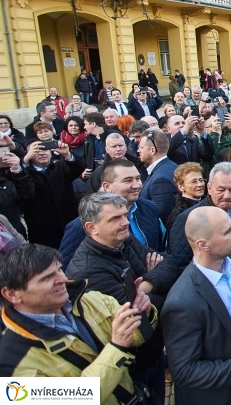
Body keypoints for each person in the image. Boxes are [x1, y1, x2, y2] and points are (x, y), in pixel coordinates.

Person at [0, 244, 153, 402]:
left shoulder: (89, 300)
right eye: (47, 277)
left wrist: (141, 314)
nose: (63, 279)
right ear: (12, 294)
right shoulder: (10, 365)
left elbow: (137, 337)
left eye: (59, 270)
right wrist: (117, 348)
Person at [66, 192, 179, 404]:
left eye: (125, 215)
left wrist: (146, 285)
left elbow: (170, 263)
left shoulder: (124, 241)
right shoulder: (89, 271)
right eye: (115, 218)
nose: (125, 222)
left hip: (153, 355)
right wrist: (159, 287)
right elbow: (139, 317)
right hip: (131, 366)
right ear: (92, 228)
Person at [162, 206, 231, 405]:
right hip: (224, 395)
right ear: (203, 245)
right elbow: (184, 371)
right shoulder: (182, 302)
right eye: (227, 232)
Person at [59, 158, 165, 265]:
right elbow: (67, 268)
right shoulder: (81, 226)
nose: (137, 185)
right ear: (107, 186)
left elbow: (159, 251)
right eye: (128, 180)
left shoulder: (150, 207)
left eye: (138, 178)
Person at [169, 162, 231, 269]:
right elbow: (180, 264)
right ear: (209, 188)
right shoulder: (188, 218)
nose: (227, 196)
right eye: (221, 190)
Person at [21, 139, 85, 249]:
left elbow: (78, 168)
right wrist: (25, 161)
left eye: (45, 149)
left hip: (68, 222)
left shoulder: (59, 167)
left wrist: (67, 154)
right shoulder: (25, 172)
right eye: (37, 150)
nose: (42, 153)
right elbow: (20, 181)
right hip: (42, 228)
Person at [138, 129, 179, 223]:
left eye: (141, 147)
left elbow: (162, 218)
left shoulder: (161, 180)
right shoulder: (170, 166)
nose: (138, 150)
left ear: (152, 150)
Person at [166, 162, 206, 231]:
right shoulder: (179, 214)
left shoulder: (208, 203)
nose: (200, 184)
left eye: (201, 180)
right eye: (194, 182)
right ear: (181, 187)